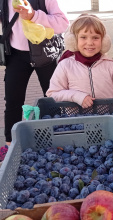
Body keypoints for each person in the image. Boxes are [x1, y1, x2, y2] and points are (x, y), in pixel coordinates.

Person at [0, 0, 69, 155]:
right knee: (12, 100)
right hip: (15, 55)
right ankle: (10, 146)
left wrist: (33, 15)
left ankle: (57, 141)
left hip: (46, 53)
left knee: (54, 100)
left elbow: (63, 23)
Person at [46, 14, 113, 108]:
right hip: (76, 119)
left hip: (109, 118)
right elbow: (53, 94)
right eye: (83, 37)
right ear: (73, 40)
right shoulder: (65, 65)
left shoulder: (111, 66)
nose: (90, 43)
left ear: (103, 41)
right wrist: (76, 96)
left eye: (95, 38)